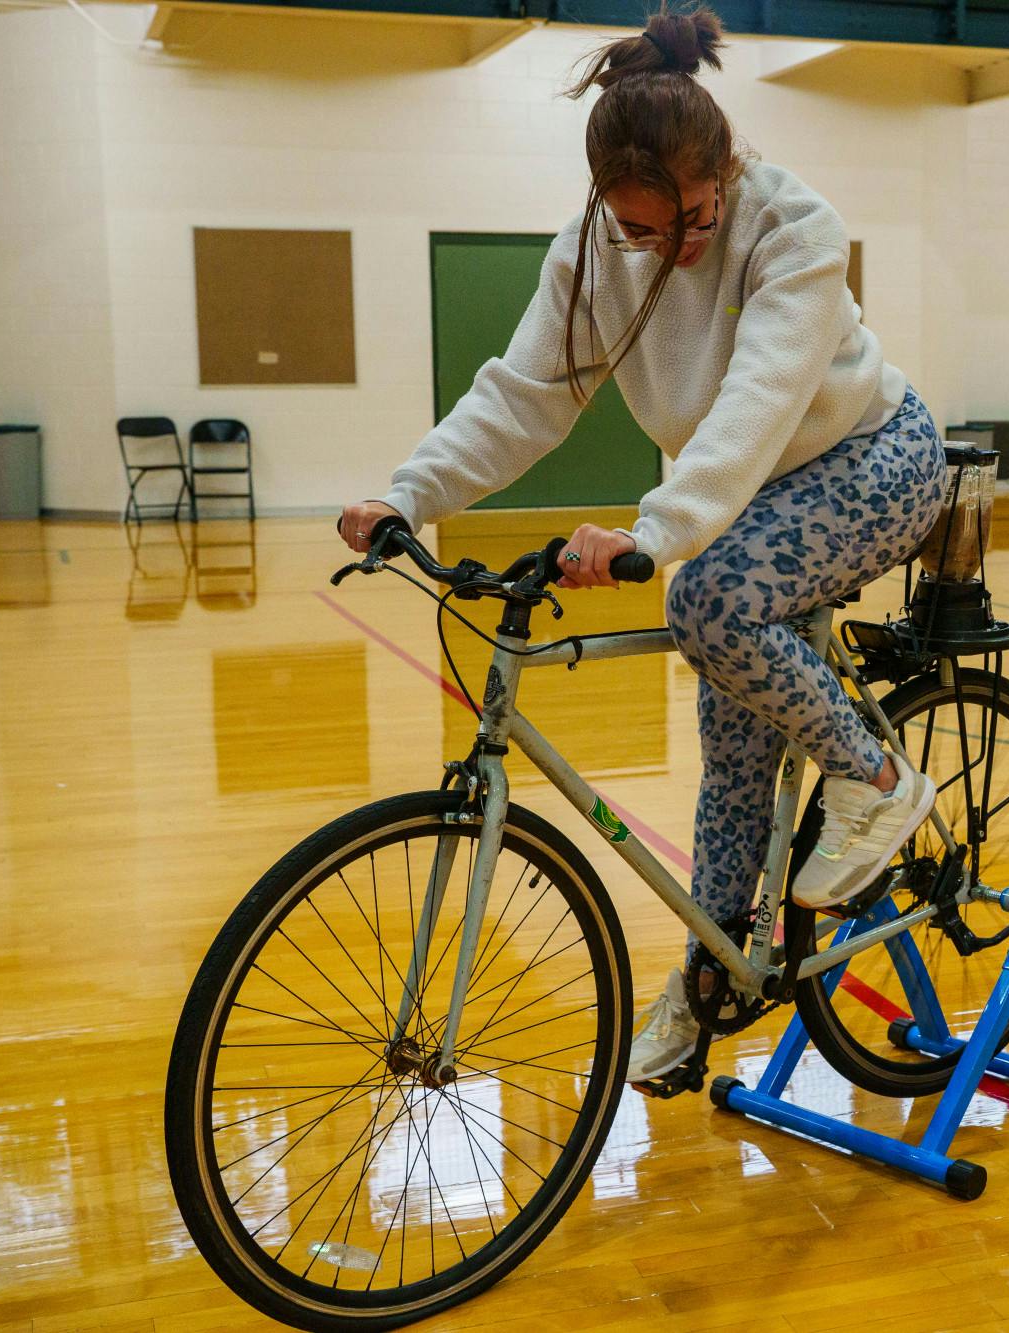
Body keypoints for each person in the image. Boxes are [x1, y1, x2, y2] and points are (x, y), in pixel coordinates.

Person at [337, 5, 946, 1082]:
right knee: (732, 762)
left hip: (870, 460)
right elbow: (526, 393)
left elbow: (757, 404)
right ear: (603, 204)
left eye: (690, 220)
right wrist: (409, 494)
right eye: (639, 230)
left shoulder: (791, 228)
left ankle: (876, 776)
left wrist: (653, 534)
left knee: (706, 600)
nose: (669, 247)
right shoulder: (591, 249)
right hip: (743, 500)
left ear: (723, 169)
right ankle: (713, 980)